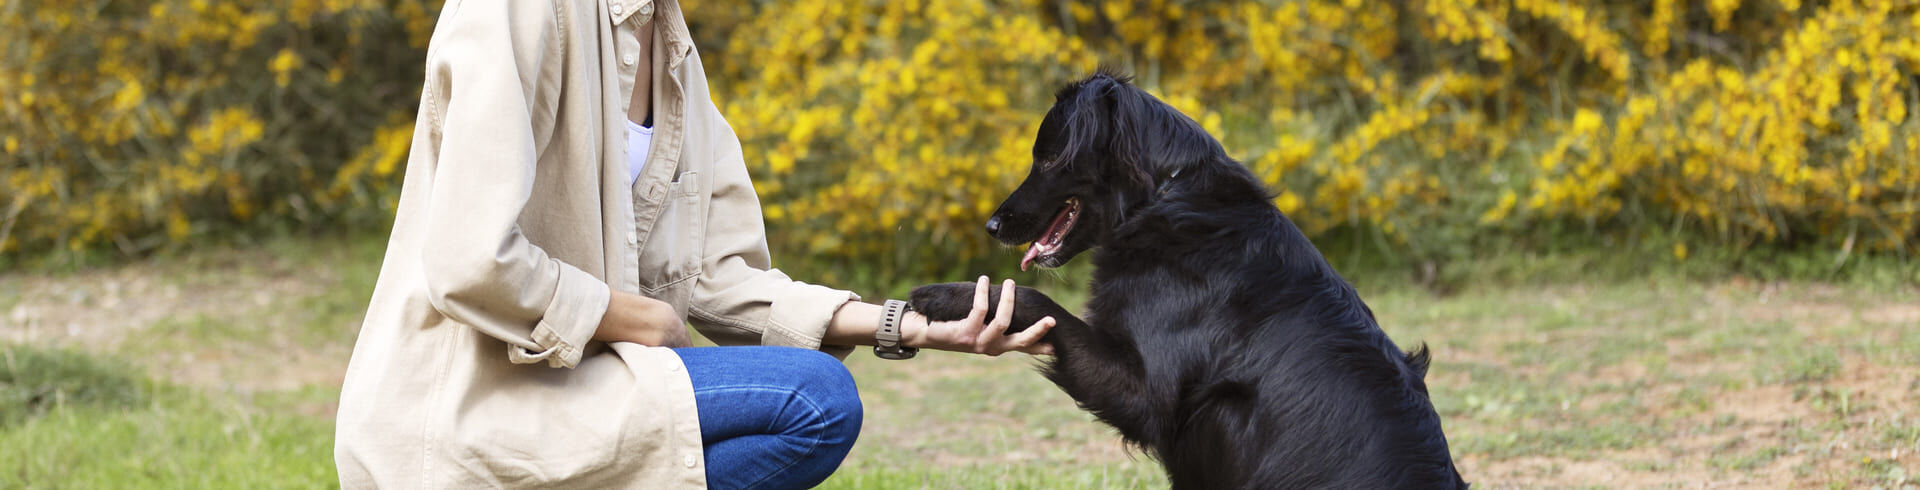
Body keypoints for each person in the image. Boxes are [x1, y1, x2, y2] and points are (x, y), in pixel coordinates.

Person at [330, 0, 1056, 488]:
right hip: (467, 413)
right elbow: (467, 257)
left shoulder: (674, 53)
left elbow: (711, 275)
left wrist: (912, 326)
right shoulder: (517, 9)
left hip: (582, 388)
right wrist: (626, 315)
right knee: (816, 399)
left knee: (819, 403)